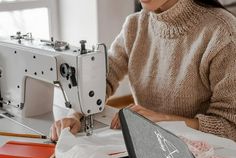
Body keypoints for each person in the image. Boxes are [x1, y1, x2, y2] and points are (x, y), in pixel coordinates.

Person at [50, 0, 236, 141]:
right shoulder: (135, 25)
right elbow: (101, 80)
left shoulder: (223, 33)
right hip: (148, 145)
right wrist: (75, 114)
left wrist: (162, 119)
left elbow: (230, 127)